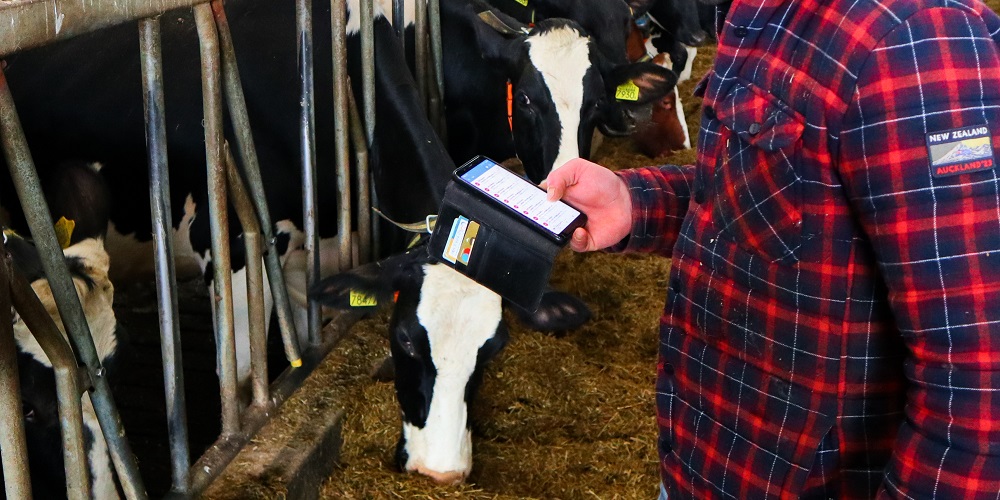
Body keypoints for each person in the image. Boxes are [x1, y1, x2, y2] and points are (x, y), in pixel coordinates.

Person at [543, 0, 1000, 497]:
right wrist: (635, 202)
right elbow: (787, 192)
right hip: (706, 461)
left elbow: (977, 380)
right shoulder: (763, 14)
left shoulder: (914, 42)